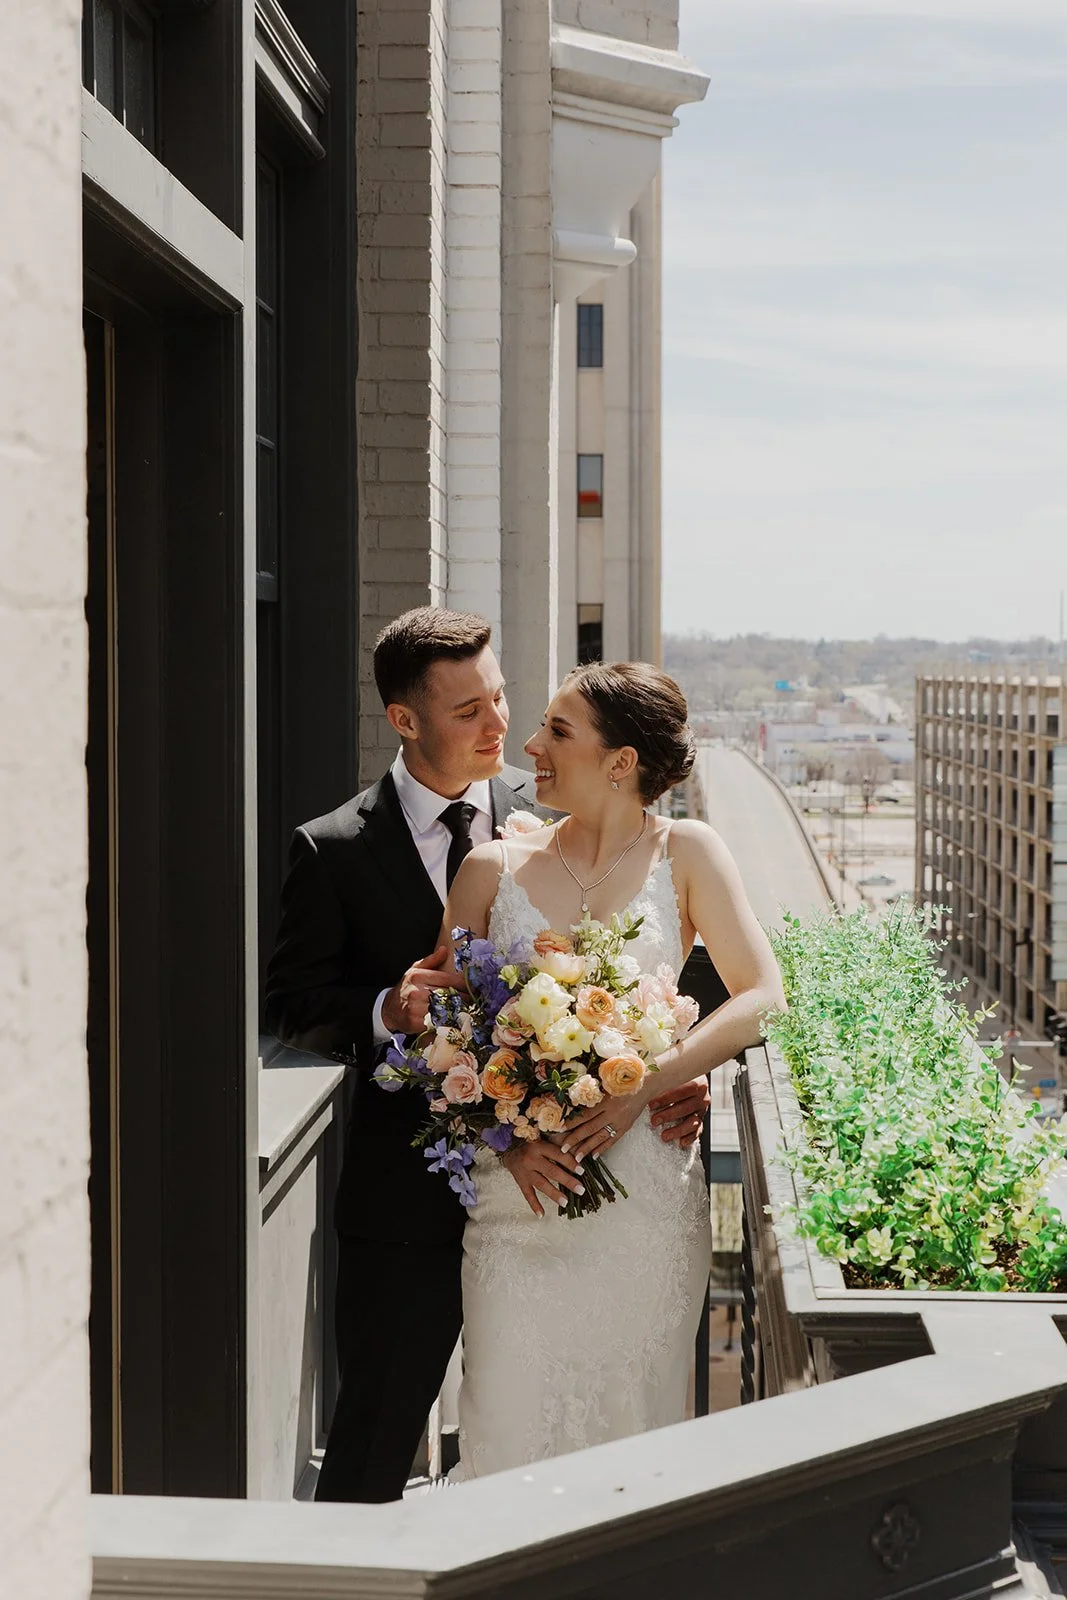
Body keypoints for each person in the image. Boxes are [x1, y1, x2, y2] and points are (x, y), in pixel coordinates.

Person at [265, 610, 712, 1503]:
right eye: (470, 709)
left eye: (502, 697)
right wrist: (395, 1008)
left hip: (589, 1192)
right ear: (406, 721)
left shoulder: (561, 802)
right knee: (374, 1447)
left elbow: (685, 966)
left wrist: (680, 1067)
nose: (501, 726)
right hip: (408, 1198)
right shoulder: (334, 847)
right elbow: (294, 1007)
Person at [444, 660, 785, 1479]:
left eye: (557, 731)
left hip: (643, 1202)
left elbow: (763, 996)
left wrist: (653, 1083)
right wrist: (510, 1143)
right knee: (507, 1417)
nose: (529, 744)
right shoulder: (488, 869)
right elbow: (446, 1037)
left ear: (620, 762)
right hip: (515, 1199)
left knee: (635, 1427)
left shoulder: (688, 853)